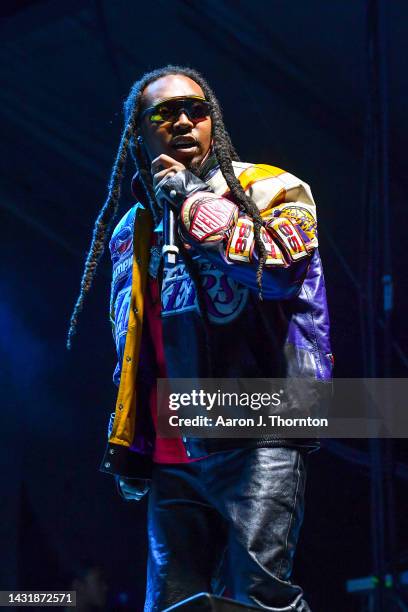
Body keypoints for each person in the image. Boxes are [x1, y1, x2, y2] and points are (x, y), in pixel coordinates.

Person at [67, 65, 332, 611]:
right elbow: (132, 343)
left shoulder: (272, 186)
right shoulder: (130, 229)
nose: (185, 121)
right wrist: (130, 439)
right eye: (165, 113)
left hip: (258, 424)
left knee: (262, 600)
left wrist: (193, 202)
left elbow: (279, 268)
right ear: (138, 133)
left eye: (197, 109)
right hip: (173, 444)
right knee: (171, 606)